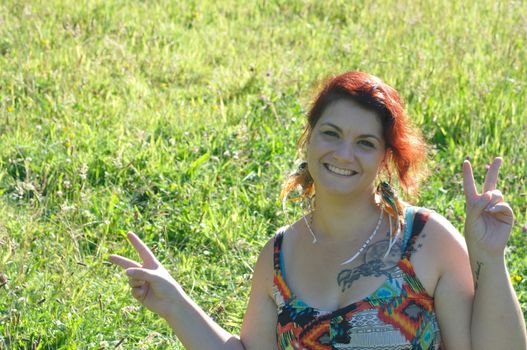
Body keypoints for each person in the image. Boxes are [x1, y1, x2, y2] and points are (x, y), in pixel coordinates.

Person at [108, 71, 527, 349]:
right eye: (331, 133)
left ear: (385, 158)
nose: (344, 153)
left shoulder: (425, 240)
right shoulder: (278, 255)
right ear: (309, 140)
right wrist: (173, 304)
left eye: (365, 142)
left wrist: (488, 256)